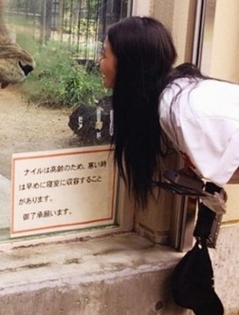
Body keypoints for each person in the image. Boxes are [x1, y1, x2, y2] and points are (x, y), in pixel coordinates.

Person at [98, 15, 239, 208]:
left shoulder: (183, 111)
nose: (99, 61)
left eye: (104, 54)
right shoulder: (174, 99)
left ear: (128, 64)